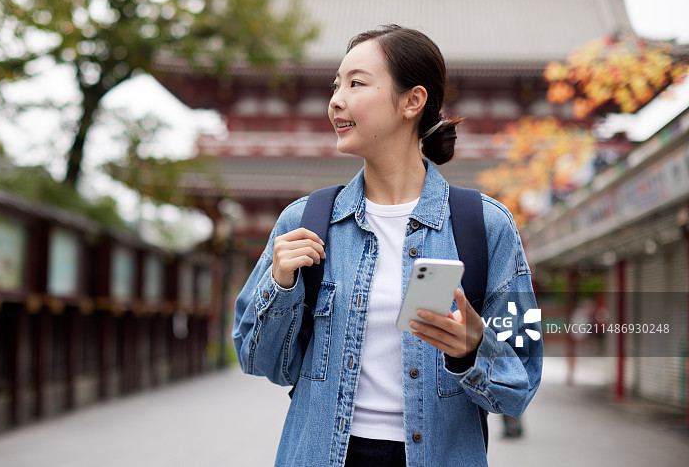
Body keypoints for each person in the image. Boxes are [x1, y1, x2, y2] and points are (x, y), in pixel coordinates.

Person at [232, 24, 542, 467]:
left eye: (356, 83)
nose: (336, 100)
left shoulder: (485, 225)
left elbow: (521, 381)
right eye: (335, 85)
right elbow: (259, 361)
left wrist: (475, 348)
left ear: (411, 102)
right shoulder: (305, 222)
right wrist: (281, 286)